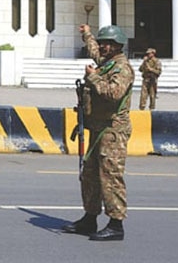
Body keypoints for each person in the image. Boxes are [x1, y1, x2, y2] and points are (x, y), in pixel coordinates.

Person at [62, 24, 134, 241]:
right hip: (97, 128)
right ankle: (89, 218)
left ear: (117, 46)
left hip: (112, 131)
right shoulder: (107, 61)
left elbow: (113, 93)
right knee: (90, 175)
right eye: (102, 43)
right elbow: (94, 50)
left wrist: (93, 77)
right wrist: (87, 34)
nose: (102, 47)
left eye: (107, 43)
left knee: (110, 176)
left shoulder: (122, 68)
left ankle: (116, 224)